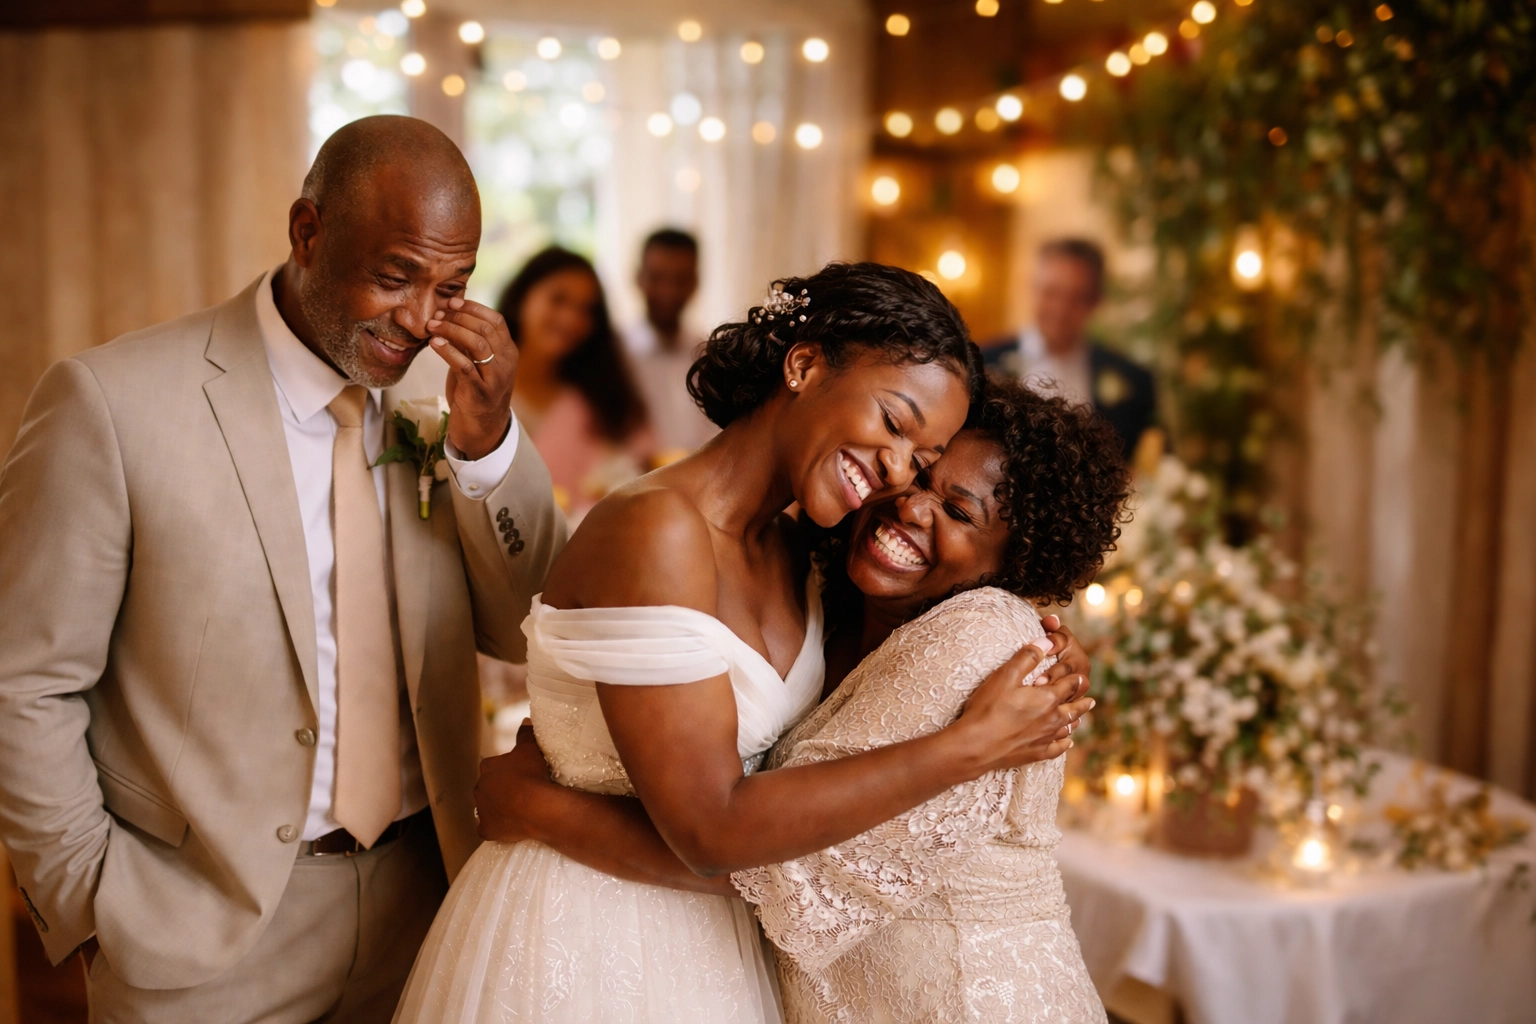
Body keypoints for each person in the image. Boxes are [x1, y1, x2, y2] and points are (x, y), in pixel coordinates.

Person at [392, 263, 1096, 1024]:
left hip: (723, 955)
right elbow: (711, 828)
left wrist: (1030, 628)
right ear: (804, 365)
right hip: (590, 937)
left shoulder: (801, 554)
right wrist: (969, 746)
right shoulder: (657, 530)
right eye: (895, 424)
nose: (898, 473)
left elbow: (870, 704)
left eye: (923, 461)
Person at [0, 115, 565, 1022]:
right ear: (307, 232)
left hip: (424, 908)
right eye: (395, 277)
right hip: (199, 938)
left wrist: (488, 441)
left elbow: (527, 628)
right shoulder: (111, 404)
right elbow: (25, 681)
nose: (421, 319)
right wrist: (89, 901)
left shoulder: (440, 411)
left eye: (451, 288)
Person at [499, 246, 654, 522]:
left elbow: (647, 467)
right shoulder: (474, 386)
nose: (571, 319)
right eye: (558, 299)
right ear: (521, 298)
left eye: (585, 310)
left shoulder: (602, 401)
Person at [984, 238, 1156, 458]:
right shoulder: (984, 361)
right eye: (1051, 292)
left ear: (1096, 302)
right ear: (1032, 288)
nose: (1061, 309)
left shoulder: (1133, 379)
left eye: (1077, 298)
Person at [624, 228, 718, 455]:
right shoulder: (613, 354)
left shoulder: (710, 357)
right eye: (657, 277)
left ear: (694, 283)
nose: (668, 291)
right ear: (638, 278)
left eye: (680, 279)